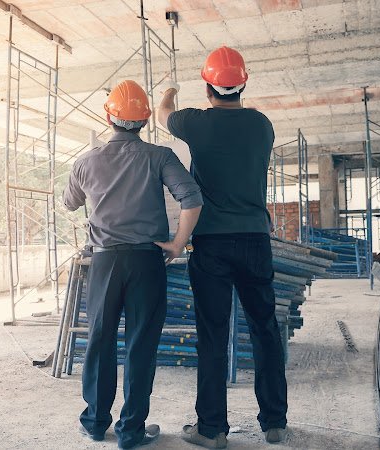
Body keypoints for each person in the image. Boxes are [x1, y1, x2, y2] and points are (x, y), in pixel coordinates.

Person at [156, 46, 288, 448]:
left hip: (211, 243)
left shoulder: (196, 123)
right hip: (254, 240)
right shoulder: (263, 125)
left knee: (212, 334)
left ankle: (212, 430)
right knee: (265, 329)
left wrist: (170, 90)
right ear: (243, 83)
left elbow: (163, 114)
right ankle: (274, 423)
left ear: (207, 86)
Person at [64, 79, 203, 449]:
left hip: (105, 262)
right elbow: (192, 199)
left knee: (100, 340)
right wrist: (178, 242)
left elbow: (69, 203)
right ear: (144, 120)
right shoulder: (160, 157)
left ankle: (94, 422)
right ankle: (131, 431)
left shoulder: (86, 162)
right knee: (141, 344)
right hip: (146, 262)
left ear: (108, 117)